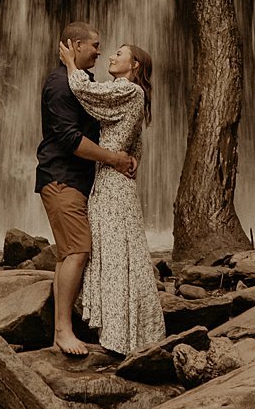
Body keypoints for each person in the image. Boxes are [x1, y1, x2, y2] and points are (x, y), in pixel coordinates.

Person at [36, 22, 137, 357]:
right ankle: (62, 332)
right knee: (77, 251)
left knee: (72, 252)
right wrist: (114, 159)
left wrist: (128, 155)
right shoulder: (60, 83)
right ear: (75, 45)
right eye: (95, 45)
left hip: (78, 182)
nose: (99, 51)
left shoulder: (83, 83)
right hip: (61, 179)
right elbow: (70, 140)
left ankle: (71, 326)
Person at [60, 38, 165, 357]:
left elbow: (86, 92)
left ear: (134, 66)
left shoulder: (129, 90)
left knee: (116, 251)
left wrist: (70, 64)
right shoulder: (136, 96)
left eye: (120, 54)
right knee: (122, 250)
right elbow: (135, 148)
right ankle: (135, 330)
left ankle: (119, 335)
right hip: (116, 181)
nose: (111, 56)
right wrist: (128, 160)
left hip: (111, 183)